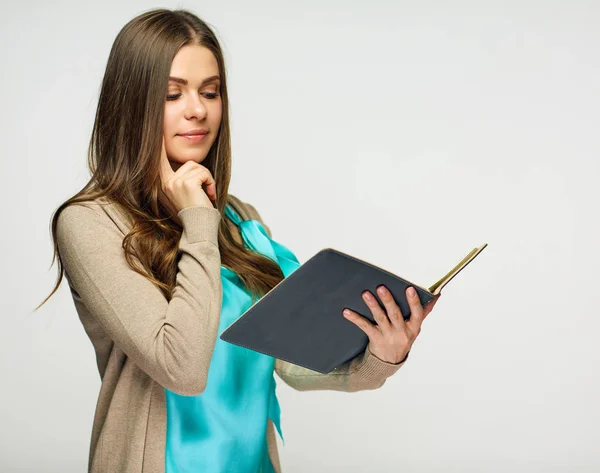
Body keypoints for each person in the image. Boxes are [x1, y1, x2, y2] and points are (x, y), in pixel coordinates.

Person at [36, 8, 441, 473]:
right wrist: (197, 221)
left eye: (211, 92)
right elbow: (181, 368)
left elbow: (291, 361)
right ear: (131, 104)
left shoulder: (239, 219)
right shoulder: (91, 222)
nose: (198, 109)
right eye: (173, 94)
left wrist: (379, 356)